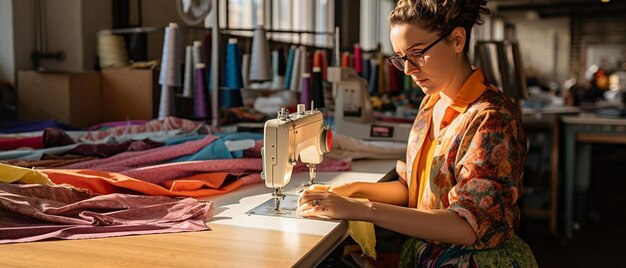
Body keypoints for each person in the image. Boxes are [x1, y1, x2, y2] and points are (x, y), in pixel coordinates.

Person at [297, 0, 537, 266]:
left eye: (418, 53)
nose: (409, 70)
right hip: (429, 253)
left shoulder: (491, 116)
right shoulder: (431, 102)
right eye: (401, 58)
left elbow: (467, 226)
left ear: (457, 40)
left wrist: (362, 209)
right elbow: (413, 189)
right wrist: (350, 190)